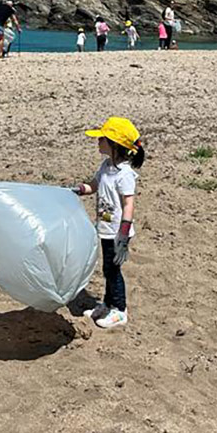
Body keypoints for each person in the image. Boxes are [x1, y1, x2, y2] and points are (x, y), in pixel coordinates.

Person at [73, 117, 145, 329]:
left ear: (114, 144)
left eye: (102, 138)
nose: (98, 141)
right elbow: (94, 186)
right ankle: (107, 303)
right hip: (105, 230)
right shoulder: (105, 166)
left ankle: (120, 310)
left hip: (117, 233)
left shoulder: (125, 175)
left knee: (113, 270)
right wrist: (80, 189)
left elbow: (129, 204)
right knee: (107, 269)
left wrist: (123, 235)